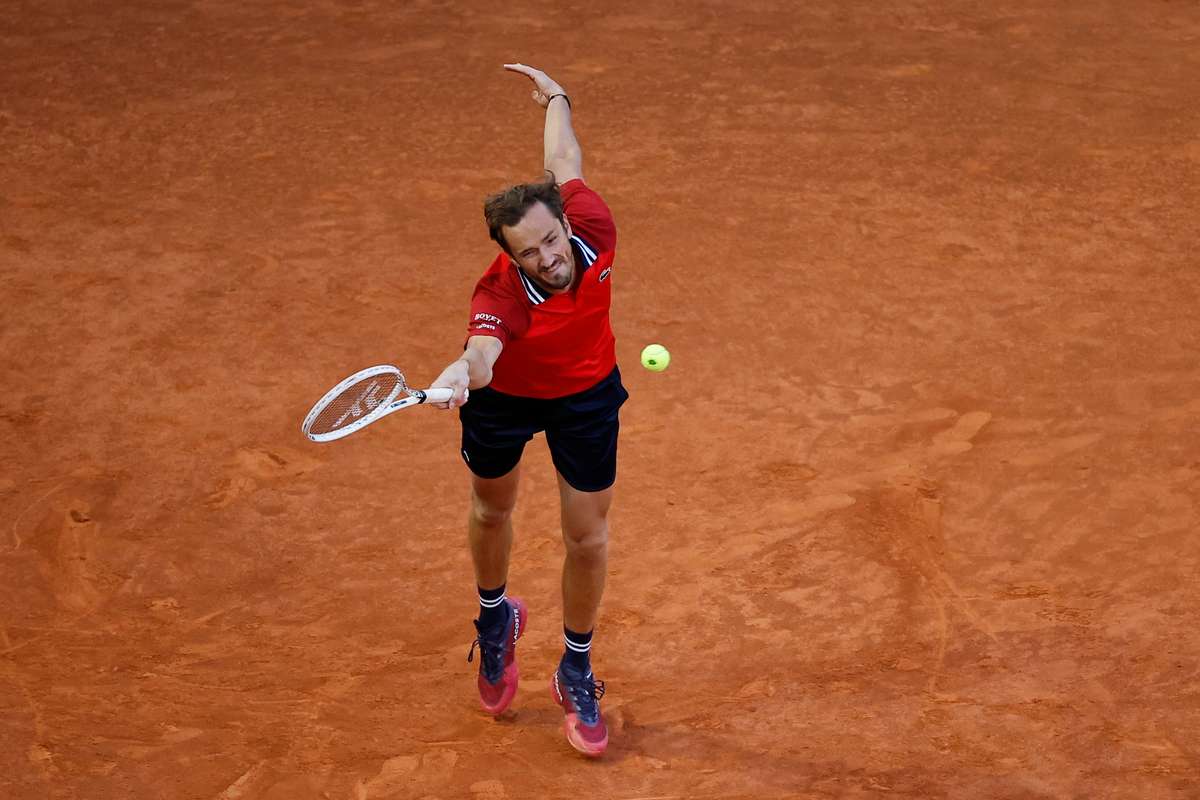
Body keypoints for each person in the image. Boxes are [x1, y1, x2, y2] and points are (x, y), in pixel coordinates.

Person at [429, 63, 626, 758]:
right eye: (529, 253)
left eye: (551, 239)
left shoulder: (593, 225)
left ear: (565, 221)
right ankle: (494, 619)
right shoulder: (502, 296)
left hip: (587, 394)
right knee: (492, 510)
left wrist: (557, 98)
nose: (548, 257)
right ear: (509, 258)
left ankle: (576, 665)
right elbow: (482, 351)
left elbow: (562, 156)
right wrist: (462, 370)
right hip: (504, 399)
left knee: (588, 538)